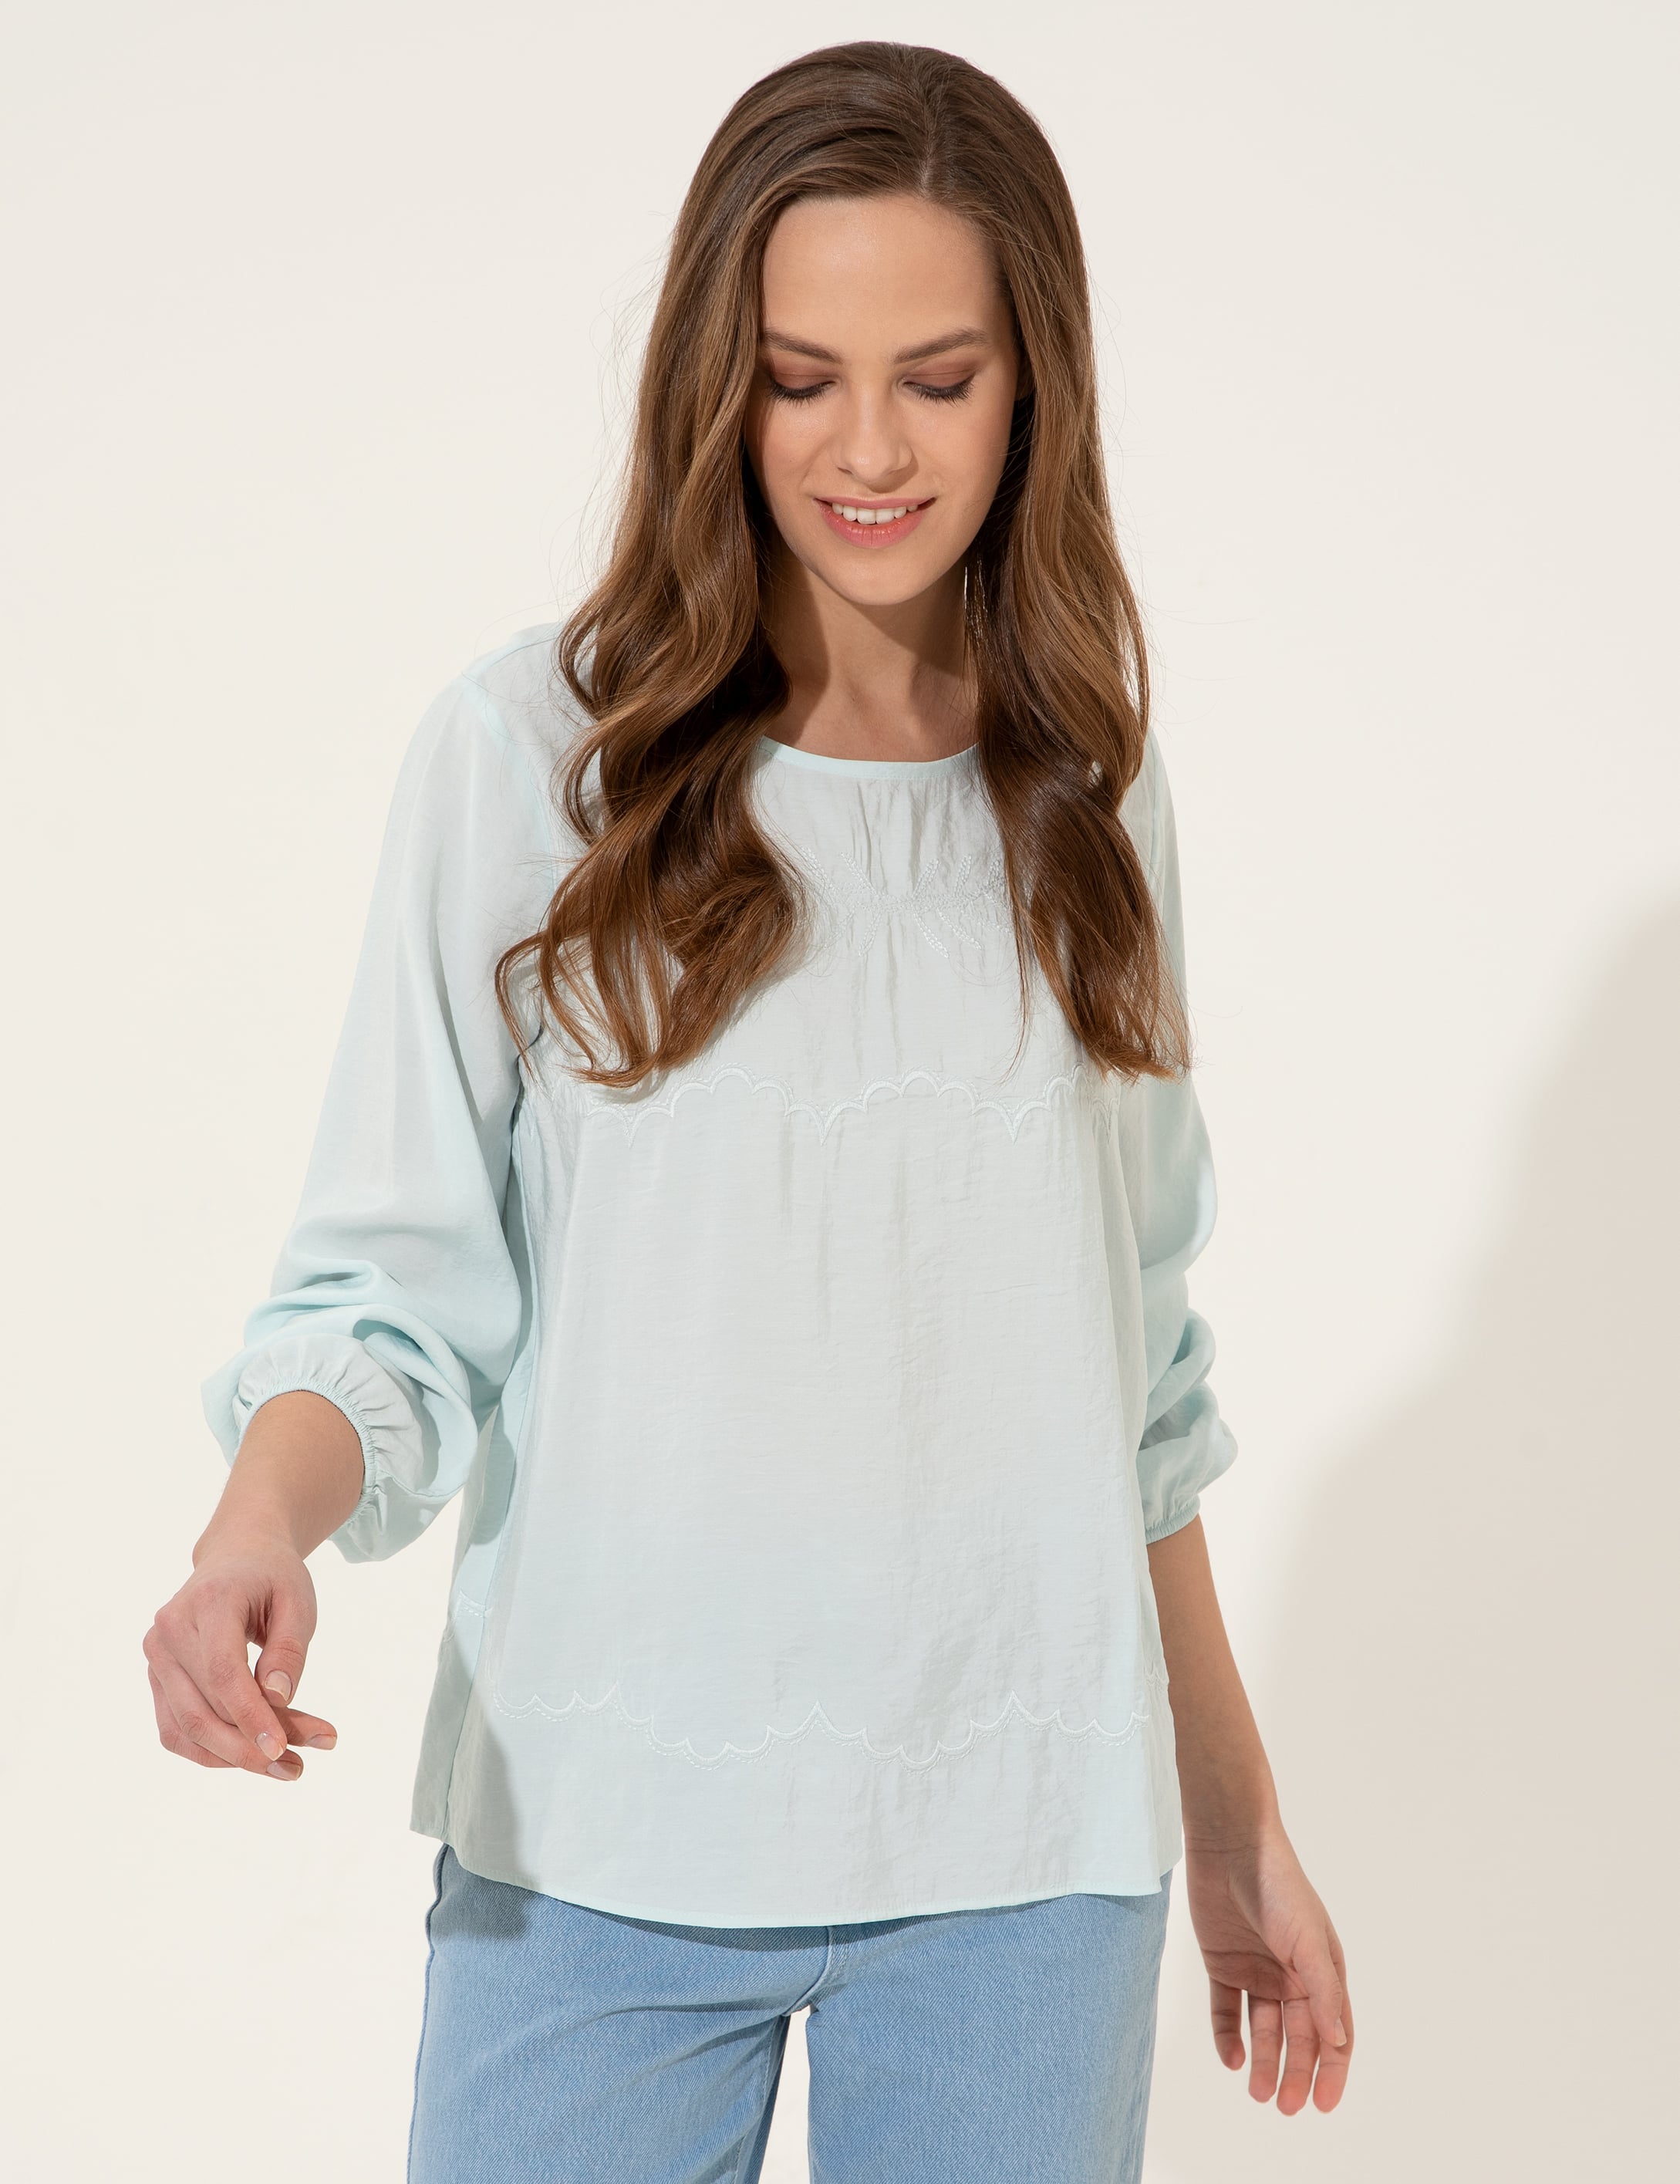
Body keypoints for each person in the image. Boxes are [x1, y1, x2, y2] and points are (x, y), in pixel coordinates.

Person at [143, 39, 1353, 2183]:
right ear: (720, 382)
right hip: (594, 1839)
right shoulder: (535, 763)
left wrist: (1235, 1816)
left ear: (1034, 388)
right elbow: (391, 1292)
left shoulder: (1087, 796)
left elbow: (1135, 1375)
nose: (867, 448)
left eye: (937, 378)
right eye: (802, 378)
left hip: (1021, 1859)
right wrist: (257, 1529)